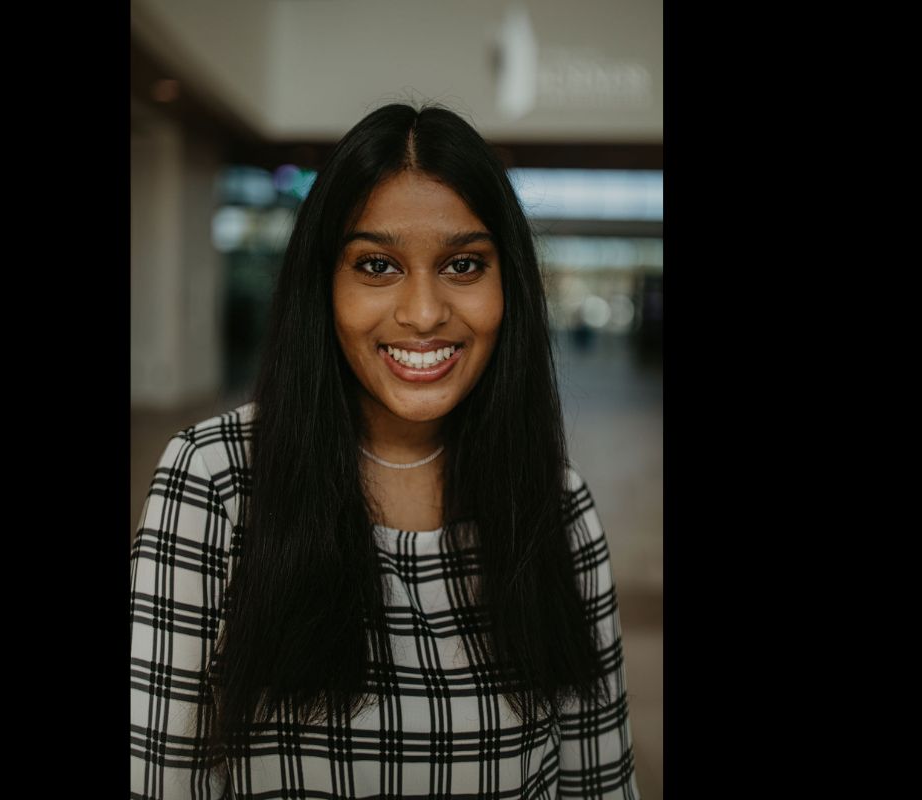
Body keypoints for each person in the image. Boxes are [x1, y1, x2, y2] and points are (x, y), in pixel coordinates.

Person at [131, 103, 641, 799]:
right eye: (376, 265)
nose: (425, 312)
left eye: (464, 264)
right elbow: (158, 779)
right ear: (324, 285)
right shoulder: (215, 481)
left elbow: (600, 782)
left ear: (508, 286)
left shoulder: (552, 499)